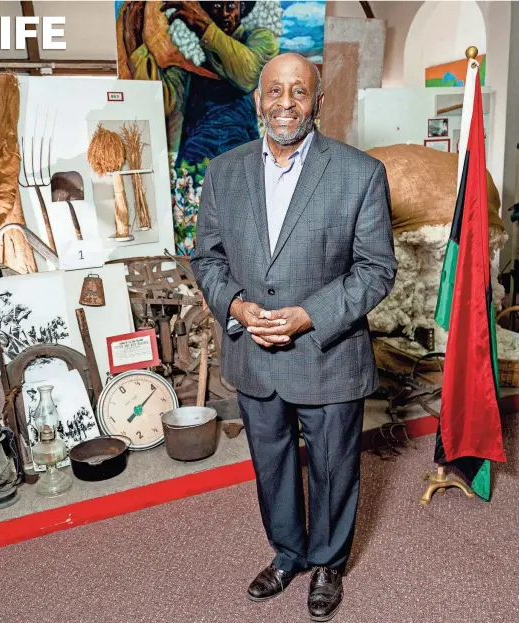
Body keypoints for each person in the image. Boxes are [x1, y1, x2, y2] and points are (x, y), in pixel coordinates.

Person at [190, 53, 397, 621]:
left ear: (317, 102)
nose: (286, 103)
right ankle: (288, 552)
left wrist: (310, 314)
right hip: (252, 355)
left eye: (299, 92)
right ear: (258, 100)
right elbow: (205, 256)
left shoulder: (359, 173)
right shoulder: (223, 172)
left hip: (328, 356)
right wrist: (234, 302)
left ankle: (328, 562)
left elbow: (376, 269)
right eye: (275, 91)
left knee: (333, 466)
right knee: (273, 464)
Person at [119, 1, 279, 167]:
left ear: (242, 8)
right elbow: (164, 101)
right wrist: (136, 47)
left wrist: (204, 27)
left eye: (231, 6)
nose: (224, 13)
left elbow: (248, 74)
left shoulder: (260, 41)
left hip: (242, 158)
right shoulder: (189, 52)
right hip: (196, 160)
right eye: (217, 6)